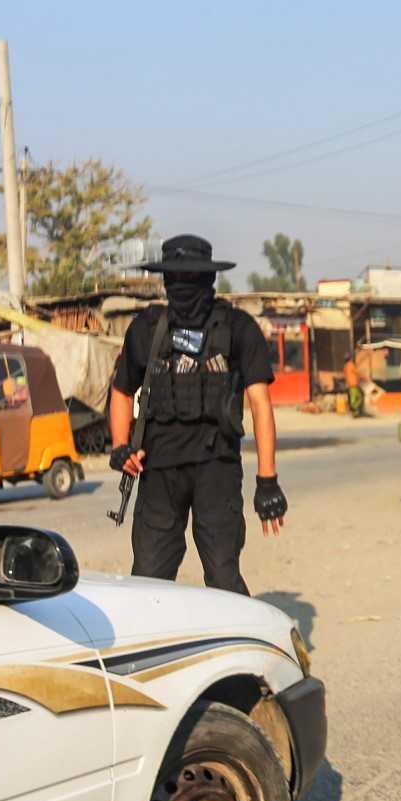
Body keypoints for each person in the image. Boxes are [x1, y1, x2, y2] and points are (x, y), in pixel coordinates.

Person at [108, 234, 287, 594]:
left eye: (193, 279)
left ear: (210, 280)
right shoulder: (147, 328)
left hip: (216, 468)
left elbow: (260, 403)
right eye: (177, 279)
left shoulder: (238, 328)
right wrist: (120, 447)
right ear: (166, 282)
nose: (185, 287)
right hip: (158, 469)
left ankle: (234, 644)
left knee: (223, 577)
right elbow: (121, 390)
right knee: (148, 581)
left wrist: (267, 480)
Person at [344, 353, 365, 418]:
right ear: (350, 359)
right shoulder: (351, 365)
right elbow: (357, 372)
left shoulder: (345, 366)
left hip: (350, 384)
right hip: (354, 384)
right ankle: (355, 411)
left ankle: (355, 411)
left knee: (354, 397)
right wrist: (363, 377)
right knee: (358, 397)